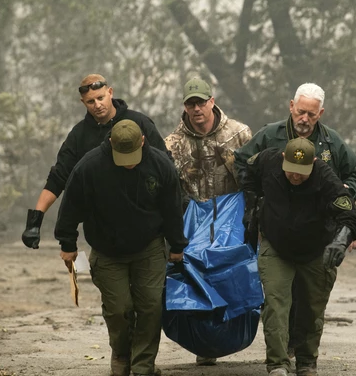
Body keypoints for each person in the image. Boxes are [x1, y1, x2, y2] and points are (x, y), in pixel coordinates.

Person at [234, 82, 356, 361]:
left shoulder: (331, 143)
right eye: (301, 112)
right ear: (291, 106)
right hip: (278, 227)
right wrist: (254, 203)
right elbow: (244, 163)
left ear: (321, 114)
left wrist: (345, 207)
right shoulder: (270, 137)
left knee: (309, 301)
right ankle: (280, 357)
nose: (305, 119)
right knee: (278, 297)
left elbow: (353, 174)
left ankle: (301, 353)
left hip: (319, 229)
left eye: (312, 115)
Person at [54, 119, 188, 376]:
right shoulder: (90, 167)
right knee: (118, 309)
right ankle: (122, 354)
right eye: (122, 156)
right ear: (110, 143)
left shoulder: (160, 165)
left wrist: (177, 245)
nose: (129, 162)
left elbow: (172, 209)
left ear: (143, 142)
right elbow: (71, 206)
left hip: (148, 247)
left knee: (150, 306)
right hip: (107, 250)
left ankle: (143, 365)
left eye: (134, 155)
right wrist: (67, 243)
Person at [21, 74, 170, 250]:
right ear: (83, 102)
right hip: (103, 233)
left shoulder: (139, 123)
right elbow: (58, 177)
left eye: (100, 98)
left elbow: (166, 166)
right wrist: (35, 221)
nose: (97, 105)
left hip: (147, 226)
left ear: (110, 93)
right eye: (91, 101)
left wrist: (176, 219)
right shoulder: (79, 136)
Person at [163, 77, 252, 366]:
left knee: (234, 276)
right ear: (185, 107)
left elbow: (254, 178)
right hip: (192, 219)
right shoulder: (173, 144)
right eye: (191, 103)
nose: (197, 108)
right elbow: (170, 189)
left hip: (232, 218)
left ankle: (235, 335)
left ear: (212, 101)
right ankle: (204, 343)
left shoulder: (239, 134)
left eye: (201, 102)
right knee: (192, 278)